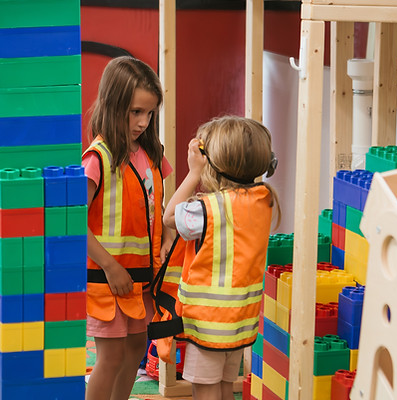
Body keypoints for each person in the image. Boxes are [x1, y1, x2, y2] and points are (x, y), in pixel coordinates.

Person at [162, 115, 281, 400]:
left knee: (205, 391)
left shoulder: (207, 209)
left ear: (212, 164)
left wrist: (192, 174)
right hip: (240, 320)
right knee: (226, 388)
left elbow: (168, 217)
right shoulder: (264, 200)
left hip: (208, 324)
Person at [83, 56, 174, 400]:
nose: (142, 121)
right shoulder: (98, 159)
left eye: (149, 113)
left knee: (136, 348)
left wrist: (166, 235)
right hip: (109, 278)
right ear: (113, 105)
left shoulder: (151, 153)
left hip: (142, 279)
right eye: (135, 112)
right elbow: (72, 223)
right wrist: (109, 265)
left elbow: (155, 205)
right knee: (111, 357)